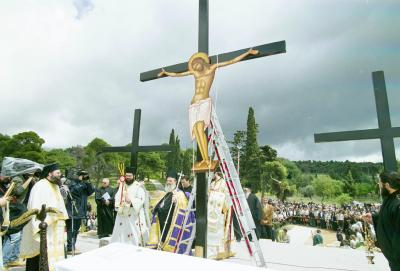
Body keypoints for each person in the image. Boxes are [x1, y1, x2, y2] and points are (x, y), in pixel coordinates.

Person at [158, 49, 259, 171]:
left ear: (203, 62)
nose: (194, 66)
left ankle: (207, 159)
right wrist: (166, 72)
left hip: (204, 102)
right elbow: (178, 74)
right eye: (193, 65)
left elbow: (232, 61)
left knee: (200, 128)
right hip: (193, 104)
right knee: (196, 129)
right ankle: (204, 160)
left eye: (196, 64)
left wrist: (248, 52)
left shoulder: (212, 68)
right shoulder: (195, 73)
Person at [20, 163, 68, 271]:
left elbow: (60, 207)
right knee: (40, 253)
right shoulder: (40, 186)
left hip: (55, 228)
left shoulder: (56, 186)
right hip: (45, 226)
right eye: (58, 173)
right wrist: (41, 223)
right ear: (49, 173)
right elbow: (35, 207)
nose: (60, 175)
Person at [147, 171, 195, 254]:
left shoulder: (179, 193)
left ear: (175, 182)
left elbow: (183, 206)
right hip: (163, 223)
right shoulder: (168, 193)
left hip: (171, 224)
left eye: (170, 181)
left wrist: (177, 202)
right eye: (167, 180)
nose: (168, 182)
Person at [362, 172, 400, 271]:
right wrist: (373, 217)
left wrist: (396, 255)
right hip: (394, 258)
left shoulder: (397, 202)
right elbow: (389, 216)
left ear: (387, 185)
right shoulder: (390, 200)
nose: (378, 186)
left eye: (380, 183)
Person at [110, 167, 150, 246]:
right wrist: (119, 203)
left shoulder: (138, 186)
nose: (128, 177)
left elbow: (141, 199)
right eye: (126, 176)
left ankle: (134, 246)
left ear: (133, 176)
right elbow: (117, 196)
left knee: (134, 232)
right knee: (121, 231)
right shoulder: (122, 185)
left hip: (133, 214)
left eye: (129, 176)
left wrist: (130, 202)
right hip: (122, 213)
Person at [64, 170, 94, 254]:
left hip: (80, 210)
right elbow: (74, 191)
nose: (82, 176)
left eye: (84, 175)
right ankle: (70, 247)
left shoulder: (84, 183)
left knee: (76, 229)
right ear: (77, 175)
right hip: (72, 210)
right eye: (81, 175)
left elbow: (91, 191)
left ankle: (73, 245)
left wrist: (87, 181)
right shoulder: (71, 183)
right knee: (71, 228)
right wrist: (81, 182)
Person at [207, 171, 233, 260]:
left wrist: (224, 207)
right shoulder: (212, 183)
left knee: (218, 231)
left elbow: (227, 196)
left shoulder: (224, 183)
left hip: (219, 211)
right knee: (210, 231)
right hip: (210, 210)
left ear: (216, 173)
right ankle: (210, 251)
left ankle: (219, 252)